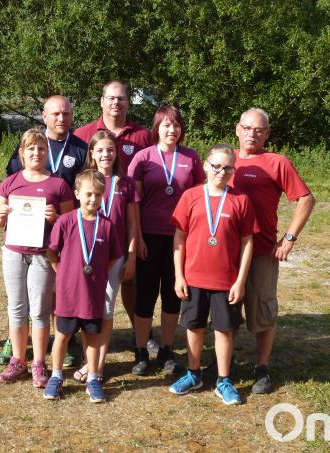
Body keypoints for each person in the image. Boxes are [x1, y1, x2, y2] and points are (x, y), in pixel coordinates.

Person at [228, 107, 316, 394]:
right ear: (237, 130)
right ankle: (223, 364)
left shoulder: (278, 163)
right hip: (225, 252)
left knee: (263, 308)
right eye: (247, 128)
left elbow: (306, 199)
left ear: (266, 134)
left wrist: (288, 238)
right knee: (225, 309)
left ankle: (262, 366)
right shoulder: (223, 160)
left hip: (263, 250)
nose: (252, 133)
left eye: (259, 129)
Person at [0, 95, 88, 367]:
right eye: (56, 114)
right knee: (20, 300)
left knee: (54, 294)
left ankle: (63, 340)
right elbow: (12, 186)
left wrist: (63, 220)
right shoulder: (27, 147)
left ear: (72, 116)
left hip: (57, 236)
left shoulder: (81, 149)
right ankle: (16, 343)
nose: (62, 118)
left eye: (66, 113)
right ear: (44, 116)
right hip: (21, 240)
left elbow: (82, 194)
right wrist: (4, 215)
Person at [168, 144, 258, 405]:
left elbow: (247, 242)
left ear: (233, 170)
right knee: (194, 327)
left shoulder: (240, 200)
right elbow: (179, 239)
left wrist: (240, 280)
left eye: (227, 167)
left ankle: (223, 380)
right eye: (216, 166)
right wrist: (179, 275)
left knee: (224, 329)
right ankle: (193, 373)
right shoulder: (191, 197)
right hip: (193, 278)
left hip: (226, 280)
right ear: (206, 166)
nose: (221, 171)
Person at [74, 80, 154, 353]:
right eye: (110, 98)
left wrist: (136, 242)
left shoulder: (142, 135)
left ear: (128, 102)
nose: (115, 103)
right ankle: (87, 345)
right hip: (92, 240)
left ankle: (140, 333)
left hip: (123, 230)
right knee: (93, 294)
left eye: (121, 98)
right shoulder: (84, 133)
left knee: (130, 284)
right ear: (102, 101)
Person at [0, 128, 74, 387]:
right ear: (22, 153)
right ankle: (18, 360)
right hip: (14, 253)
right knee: (16, 308)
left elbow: (70, 224)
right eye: (30, 149)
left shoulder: (59, 184)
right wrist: (1, 215)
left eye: (40, 148)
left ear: (47, 153)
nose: (36, 153)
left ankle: (39, 363)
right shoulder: (10, 182)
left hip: (42, 256)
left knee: (39, 311)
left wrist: (56, 218)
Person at [127, 105, 204, 376]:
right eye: (166, 125)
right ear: (156, 128)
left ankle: (167, 350)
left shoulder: (191, 157)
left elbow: (199, 198)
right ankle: (139, 351)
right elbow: (133, 203)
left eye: (176, 125)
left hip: (180, 239)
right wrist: (136, 237)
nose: (172, 130)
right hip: (149, 236)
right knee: (145, 296)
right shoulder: (142, 158)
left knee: (173, 297)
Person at [45, 170, 124, 402]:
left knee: (93, 338)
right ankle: (56, 376)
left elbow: (112, 257)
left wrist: (95, 272)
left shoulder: (107, 226)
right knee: (62, 336)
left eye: (98, 195)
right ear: (77, 193)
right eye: (88, 194)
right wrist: (61, 271)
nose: (93, 199)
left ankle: (92, 378)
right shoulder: (66, 221)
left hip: (92, 295)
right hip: (68, 294)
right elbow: (52, 250)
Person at [72, 131, 139, 383]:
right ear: (91, 153)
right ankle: (89, 361)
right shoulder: (84, 181)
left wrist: (131, 256)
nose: (105, 154)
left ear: (116, 152)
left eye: (110, 149)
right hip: (88, 255)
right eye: (100, 150)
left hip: (116, 255)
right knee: (88, 309)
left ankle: (97, 367)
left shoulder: (126, 183)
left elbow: (133, 224)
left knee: (106, 308)